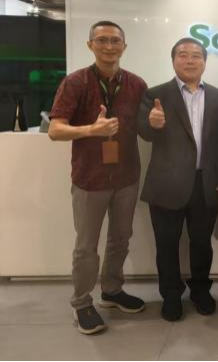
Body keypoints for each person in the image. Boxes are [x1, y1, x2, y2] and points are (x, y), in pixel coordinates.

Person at [48, 21, 147, 335]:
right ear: (90, 45)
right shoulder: (75, 82)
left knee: (120, 239)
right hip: (89, 179)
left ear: (124, 47)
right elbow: (55, 130)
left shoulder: (137, 84)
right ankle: (81, 302)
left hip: (127, 177)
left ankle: (112, 290)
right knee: (86, 246)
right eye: (102, 40)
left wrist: (156, 122)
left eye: (115, 40)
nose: (109, 46)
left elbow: (146, 127)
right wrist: (91, 129)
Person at [137, 37, 218, 322]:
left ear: (204, 61)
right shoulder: (155, 94)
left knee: (202, 243)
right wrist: (151, 123)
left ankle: (201, 291)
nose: (189, 60)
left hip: (207, 183)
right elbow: (143, 131)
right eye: (183, 55)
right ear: (173, 60)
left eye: (195, 55)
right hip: (166, 184)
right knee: (166, 244)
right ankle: (170, 296)